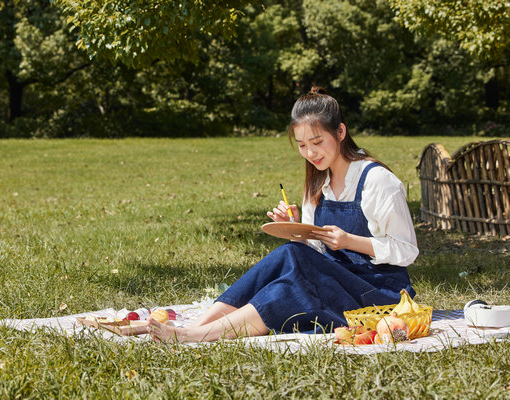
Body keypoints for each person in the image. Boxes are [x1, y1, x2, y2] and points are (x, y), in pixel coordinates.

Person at [147, 86, 419, 342]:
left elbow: (407, 250)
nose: (310, 153)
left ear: (340, 132)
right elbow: (313, 253)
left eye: (316, 142)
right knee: (290, 258)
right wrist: (295, 230)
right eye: (301, 145)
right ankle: (196, 327)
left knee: (291, 289)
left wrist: (350, 241)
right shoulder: (317, 183)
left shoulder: (378, 182)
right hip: (335, 282)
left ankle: (192, 336)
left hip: (379, 297)